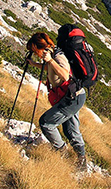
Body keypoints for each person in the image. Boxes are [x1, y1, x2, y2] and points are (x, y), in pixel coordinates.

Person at [26, 32, 88, 171]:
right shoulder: (53, 55)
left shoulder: (58, 56)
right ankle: (81, 161)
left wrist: (50, 60)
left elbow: (65, 75)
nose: (35, 54)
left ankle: (62, 152)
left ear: (39, 47)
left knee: (46, 123)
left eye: (35, 51)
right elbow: (50, 69)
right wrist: (34, 64)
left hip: (72, 98)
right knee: (70, 130)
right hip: (71, 97)